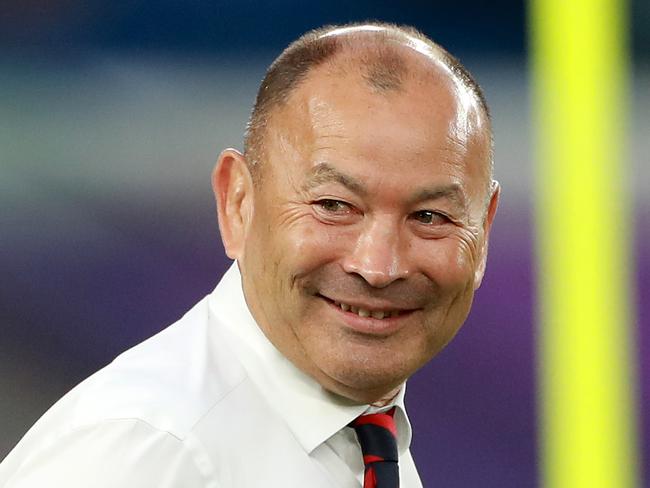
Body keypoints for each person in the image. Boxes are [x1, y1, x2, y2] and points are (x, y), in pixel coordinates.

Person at [0, 22, 499, 487]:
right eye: (334, 206)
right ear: (237, 203)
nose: (379, 265)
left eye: (431, 217)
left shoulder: (367, 438)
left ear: (484, 229)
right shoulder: (143, 456)